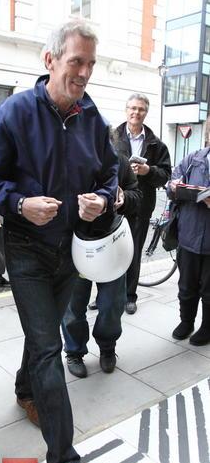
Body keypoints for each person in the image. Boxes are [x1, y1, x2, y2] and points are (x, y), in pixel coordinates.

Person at [0, 20, 118, 463]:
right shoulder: (13, 112)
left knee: (42, 336)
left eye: (91, 64)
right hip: (28, 250)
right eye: (77, 61)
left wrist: (101, 196)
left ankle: (25, 389)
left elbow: (109, 172)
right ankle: (64, 462)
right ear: (50, 59)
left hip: (71, 250)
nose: (85, 72)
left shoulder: (92, 116)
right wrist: (19, 204)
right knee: (48, 346)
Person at [62, 138, 142, 378]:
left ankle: (108, 348)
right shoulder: (67, 161)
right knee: (74, 308)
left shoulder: (119, 162)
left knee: (111, 305)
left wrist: (125, 199)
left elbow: (136, 195)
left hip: (112, 244)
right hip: (76, 245)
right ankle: (74, 352)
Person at [115, 93, 171, 314]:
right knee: (112, 250)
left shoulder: (156, 144)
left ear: (145, 113)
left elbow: (166, 174)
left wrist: (149, 171)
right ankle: (106, 295)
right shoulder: (112, 137)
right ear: (126, 110)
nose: (135, 112)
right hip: (117, 203)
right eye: (132, 108)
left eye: (140, 109)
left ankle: (129, 295)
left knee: (134, 251)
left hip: (142, 205)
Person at [168, 148, 210, 345]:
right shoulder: (194, 158)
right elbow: (172, 184)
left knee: (209, 289)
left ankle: (207, 328)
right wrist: (173, 186)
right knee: (186, 285)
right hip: (189, 234)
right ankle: (186, 322)